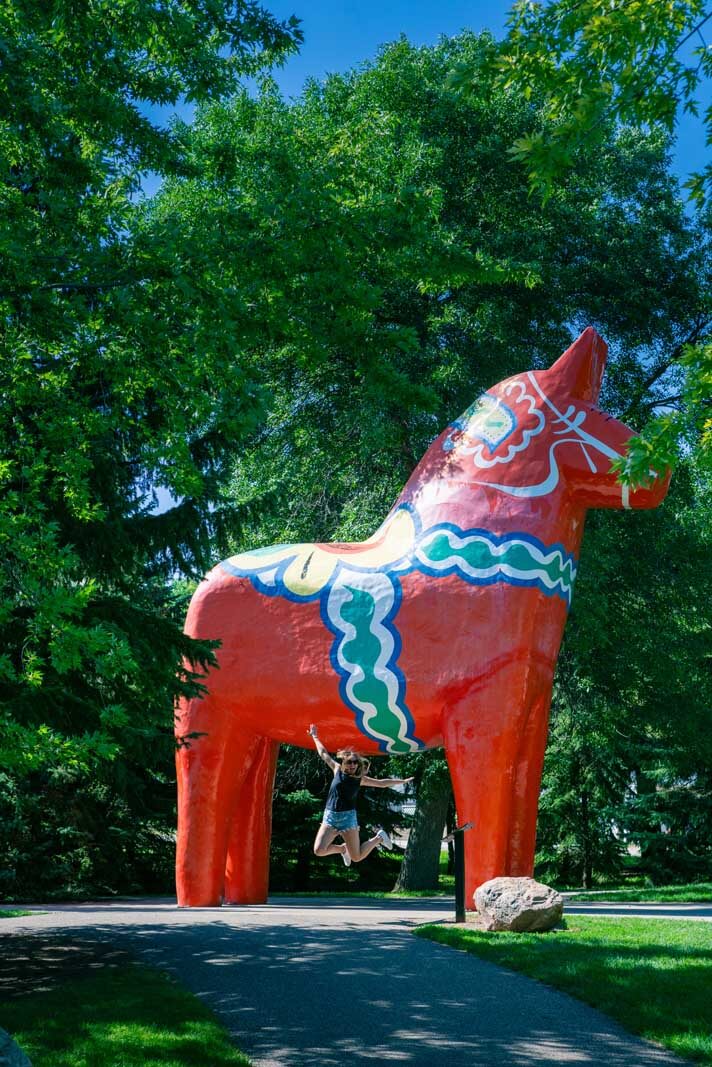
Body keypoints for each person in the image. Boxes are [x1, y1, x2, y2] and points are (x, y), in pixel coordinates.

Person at [308, 724, 414, 867]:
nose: (352, 765)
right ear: (344, 762)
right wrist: (314, 736)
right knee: (319, 850)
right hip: (330, 817)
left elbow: (382, 783)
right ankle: (342, 848)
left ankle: (379, 838)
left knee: (356, 857)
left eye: (355, 763)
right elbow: (323, 754)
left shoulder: (360, 780)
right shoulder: (337, 770)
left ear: (358, 765)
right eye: (349, 762)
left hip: (348, 819)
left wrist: (401, 781)